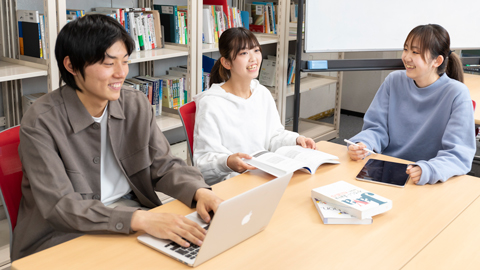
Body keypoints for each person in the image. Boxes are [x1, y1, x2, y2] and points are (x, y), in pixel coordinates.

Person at [12, 15, 222, 261]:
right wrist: (140, 219)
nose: (121, 73)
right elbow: (61, 207)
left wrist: (200, 191)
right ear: (71, 66)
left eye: (125, 61)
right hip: (63, 236)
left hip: (131, 220)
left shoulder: (134, 104)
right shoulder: (40, 122)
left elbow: (164, 165)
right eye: (108, 63)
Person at [347, 24, 475, 185]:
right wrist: (364, 144)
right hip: (385, 169)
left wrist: (429, 170)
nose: (407, 57)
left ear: (437, 61)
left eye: (415, 52)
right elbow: (376, 129)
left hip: (427, 180)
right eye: (405, 49)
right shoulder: (393, 81)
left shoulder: (457, 93)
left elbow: (458, 155)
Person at [193, 27, 316, 185]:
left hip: (264, 176)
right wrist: (228, 161)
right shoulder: (211, 103)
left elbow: (273, 136)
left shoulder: (261, 93)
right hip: (232, 183)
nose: (253, 59)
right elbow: (202, 163)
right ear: (226, 62)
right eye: (244, 53)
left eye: (256, 50)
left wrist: (297, 139)